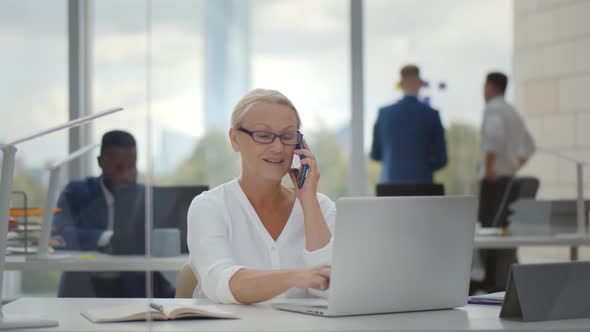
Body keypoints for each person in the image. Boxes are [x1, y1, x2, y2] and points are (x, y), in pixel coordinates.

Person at [187, 89, 335, 304]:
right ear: (235, 139)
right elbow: (220, 283)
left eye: (287, 136)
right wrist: (296, 276)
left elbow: (331, 290)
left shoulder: (322, 206)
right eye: (263, 136)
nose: (278, 148)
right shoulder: (209, 207)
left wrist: (308, 202)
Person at [52, 130, 173, 298]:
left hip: (133, 290)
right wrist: (107, 238)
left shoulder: (146, 197)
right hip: (85, 287)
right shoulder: (77, 192)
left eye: (131, 167)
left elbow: (162, 238)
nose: (126, 175)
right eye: (118, 167)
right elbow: (58, 235)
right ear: (101, 162)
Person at [472, 72, 535, 294]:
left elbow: (494, 138)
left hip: (494, 182)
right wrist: (514, 165)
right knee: (503, 232)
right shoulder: (513, 112)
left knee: (489, 234)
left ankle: (489, 286)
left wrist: (490, 169)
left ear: (490, 86)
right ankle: (499, 283)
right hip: (508, 181)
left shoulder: (494, 109)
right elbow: (529, 146)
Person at [370, 64, 447, 184]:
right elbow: (442, 159)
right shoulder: (431, 115)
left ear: (401, 84)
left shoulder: (384, 114)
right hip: (423, 186)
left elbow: (375, 154)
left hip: (390, 186)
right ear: (420, 83)